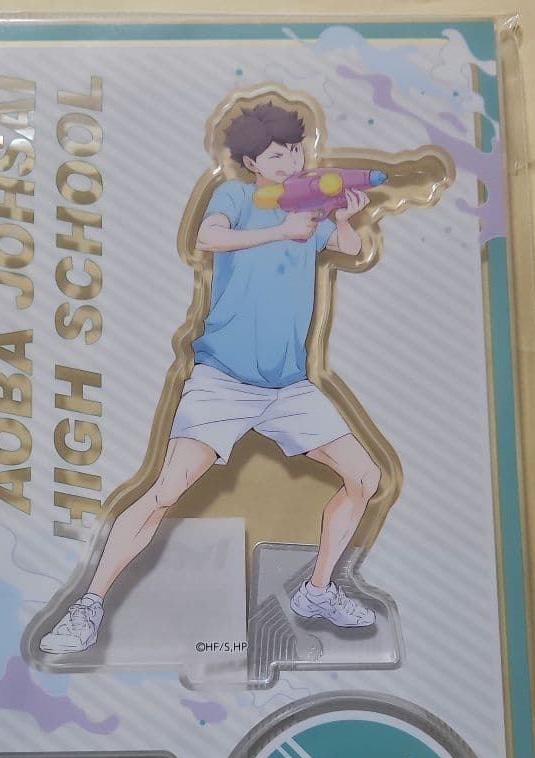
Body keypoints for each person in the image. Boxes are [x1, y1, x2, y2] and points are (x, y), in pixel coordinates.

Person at [40, 101, 381, 654]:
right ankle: (88, 606)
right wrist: (282, 230)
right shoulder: (237, 198)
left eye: (295, 151)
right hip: (223, 380)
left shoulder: (307, 207)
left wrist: (340, 216)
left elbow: (351, 248)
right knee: (164, 492)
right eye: (276, 155)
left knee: (365, 477)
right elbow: (207, 238)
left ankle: (317, 592)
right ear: (251, 162)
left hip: (288, 386)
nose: (291, 162)